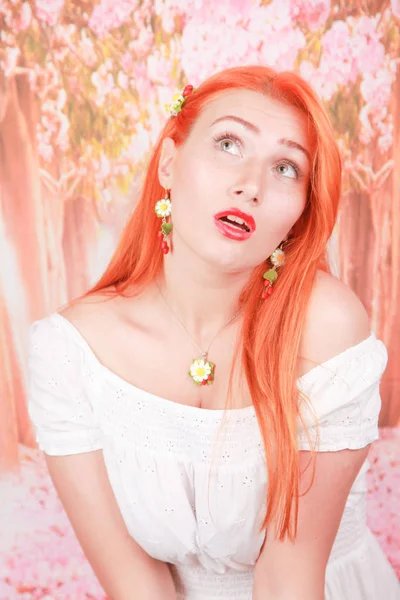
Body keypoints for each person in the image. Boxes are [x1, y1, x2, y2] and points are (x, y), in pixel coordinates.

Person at [27, 65, 400, 600]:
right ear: (170, 163)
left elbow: (289, 580)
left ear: (298, 215)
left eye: (286, 168)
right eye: (228, 143)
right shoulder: (70, 352)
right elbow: (134, 586)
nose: (251, 185)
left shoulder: (326, 326)